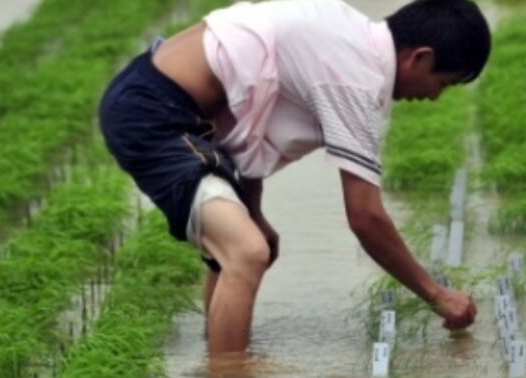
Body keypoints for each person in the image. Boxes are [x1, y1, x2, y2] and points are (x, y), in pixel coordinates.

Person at [98, 0, 486, 353]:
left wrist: (254, 211)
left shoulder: (346, 32)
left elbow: (252, 125)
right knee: (246, 252)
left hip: (166, 102)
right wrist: (436, 295)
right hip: (155, 115)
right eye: (443, 83)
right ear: (420, 57)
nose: (434, 96)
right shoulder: (354, 77)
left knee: (242, 246)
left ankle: (217, 363)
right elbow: (366, 217)